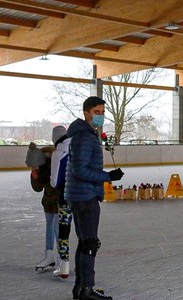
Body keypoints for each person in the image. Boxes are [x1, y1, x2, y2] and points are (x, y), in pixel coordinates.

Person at [65, 96, 124, 300]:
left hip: (81, 195)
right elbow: (80, 170)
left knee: (85, 242)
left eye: (102, 112)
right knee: (90, 243)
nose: (100, 116)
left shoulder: (84, 135)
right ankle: (87, 289)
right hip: (84, 197)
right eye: (97, 112)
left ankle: (81, 288)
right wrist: (108, 177)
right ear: (86, 113)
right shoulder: (84, 137)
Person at [30, 145, 59, 272]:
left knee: (59, 230)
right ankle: (49, 254)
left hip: (61, 203)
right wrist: (35, 177)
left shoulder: (58, 167)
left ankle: (62, 258)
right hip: (48, 203)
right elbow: (38, 188)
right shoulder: (42, 168)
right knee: (50, 226)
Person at [50, 126, 72, 279]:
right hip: (82, 196)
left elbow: (54, 181)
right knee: (83, 231)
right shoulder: (79, 147)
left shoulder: (58, 153)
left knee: (64, 231)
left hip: (65, 197)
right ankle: (83, 264)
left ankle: (64, 266)